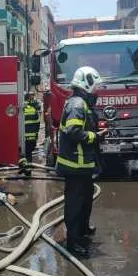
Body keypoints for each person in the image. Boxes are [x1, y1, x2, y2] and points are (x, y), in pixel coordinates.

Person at [57, 67, 106, 258]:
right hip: (74, 166)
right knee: (75, 204)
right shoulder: (77, 105)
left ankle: (83, 230)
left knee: (85, 200)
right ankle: (73, 241)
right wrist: (95, 136)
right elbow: (73, 132)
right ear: (86, 84)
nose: (97, 91)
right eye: (96, 87)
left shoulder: (81, 103)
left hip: (83, 165)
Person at [19, 91, 42, 172]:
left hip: (21, 138)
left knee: (22, 153)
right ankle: (28, 169)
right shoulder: (33, 110)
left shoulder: (21, 109)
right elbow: (38, 124)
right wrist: (36, 135)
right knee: (29, 154)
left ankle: (22, 167)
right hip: (31, 138)